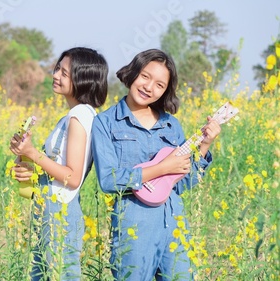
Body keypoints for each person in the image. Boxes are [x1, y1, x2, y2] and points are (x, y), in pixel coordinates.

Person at [91, 49, 221, 280]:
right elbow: (109, 180)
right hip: (133, 224)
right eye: (145, 76)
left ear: (165, 92)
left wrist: (205, 145)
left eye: (160, 85)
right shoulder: (105, 122)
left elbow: (181, 184)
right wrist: (161, 168)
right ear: (133, 73)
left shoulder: (172, 125)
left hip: (173, 222)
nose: (149, 87)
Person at [9, 47, 108, 280]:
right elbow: (57, 169)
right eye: (57, 69)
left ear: (82, 79)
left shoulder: (79, 116)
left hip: (60, 212)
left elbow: (72, 178)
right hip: (50, 208)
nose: (55, 75)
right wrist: (28, 167)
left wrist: (33, 153)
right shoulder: (73, 115)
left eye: (64, 73)